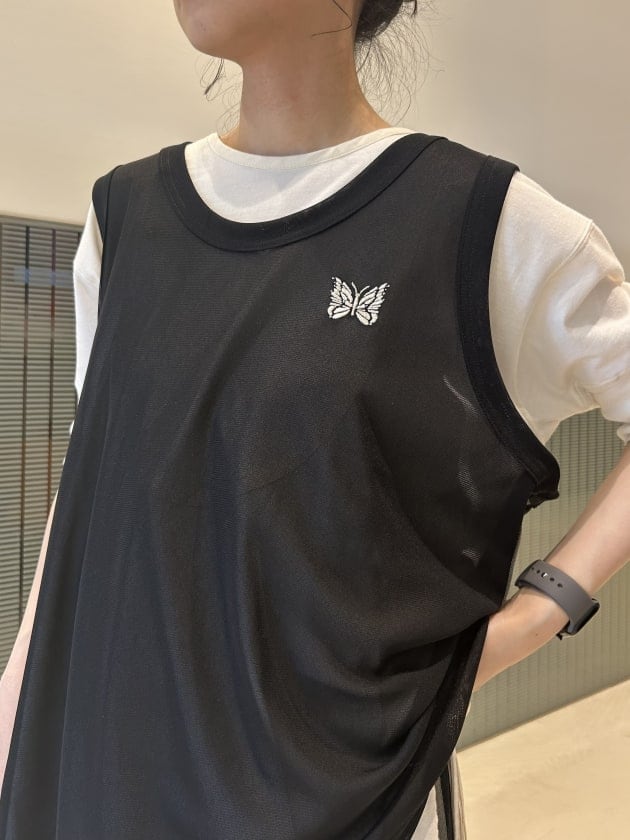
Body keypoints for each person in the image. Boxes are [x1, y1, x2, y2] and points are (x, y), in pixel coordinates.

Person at [1, 1, 629, 838]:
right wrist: (15, 704)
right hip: (110, 771)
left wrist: (539, 611)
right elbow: (91, 488)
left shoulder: (484, 223)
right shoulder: (125, 216)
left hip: (342, 796)